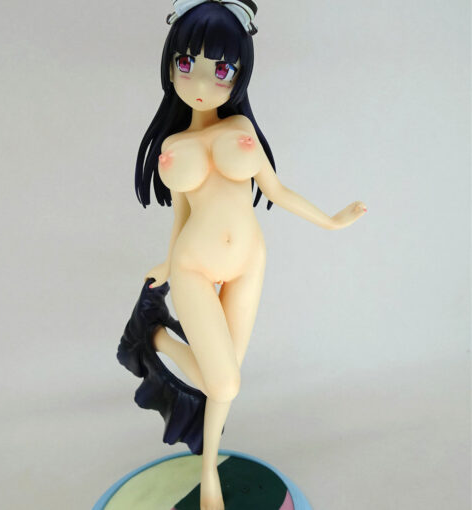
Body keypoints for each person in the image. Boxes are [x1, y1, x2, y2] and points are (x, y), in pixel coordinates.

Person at [117, 2, 367, 509]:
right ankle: (158, 339)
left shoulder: (242, 132)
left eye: (221, 69)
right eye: (186, 63)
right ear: (170, 65)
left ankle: (208, 466)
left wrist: (330, 220)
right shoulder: (173, 145)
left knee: (224, 383)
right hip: (193, 266)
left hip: (250, 262)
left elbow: (276, 190)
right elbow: (181, 215)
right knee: (225, 381)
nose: (200, 82)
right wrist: (167, 265)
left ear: (239, 74)